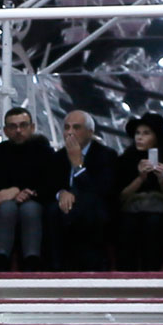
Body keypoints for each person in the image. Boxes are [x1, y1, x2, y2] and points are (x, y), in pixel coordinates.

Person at [0, 107, 55, 270]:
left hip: (35, 203)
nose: (18, 130)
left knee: (30, 209)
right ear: (5, 130)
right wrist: (3, 196)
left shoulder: (45, 153)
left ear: (32, 127)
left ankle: (32, 262)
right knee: (8, 208)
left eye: (23, 125)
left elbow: (52, 183)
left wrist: (23, 193)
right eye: (13, 126)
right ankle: (0, 261)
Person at [48, 110, 116, 270]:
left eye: (76, 127)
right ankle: (55, 270)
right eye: (67, 128)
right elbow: (48, 186)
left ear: (90, 132)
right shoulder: (57, 157)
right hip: (64, 208)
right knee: (54, 210)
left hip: (94, 208)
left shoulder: (106, 155)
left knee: (87, 209)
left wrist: (78, 166)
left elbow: (103, 190)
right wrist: (61, 193)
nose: (70, 132)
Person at [114, 115, 163, 272]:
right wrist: (140, 178)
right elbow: (119, 197)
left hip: (160, 211)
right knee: (127, 224)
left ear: (156, 136)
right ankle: (127, 276)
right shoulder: (125, 159)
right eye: (137, 133)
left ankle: (152, 274)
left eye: (146, 133)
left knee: (154, 223)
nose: (140, 138)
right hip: (131, 209)